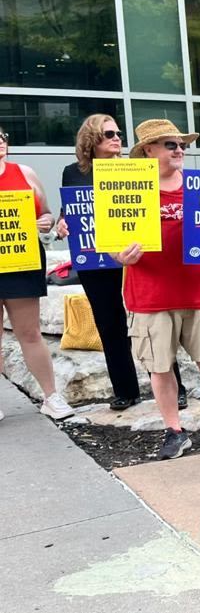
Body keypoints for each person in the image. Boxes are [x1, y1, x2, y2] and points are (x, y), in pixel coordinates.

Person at [114, 119, 200, 459]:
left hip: (197, 291)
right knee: (159, 367)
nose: (180, 150)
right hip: (150, 296)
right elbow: (111, 243)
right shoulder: (126, 189)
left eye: (182, 144)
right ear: (148, 150)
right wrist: (120, 256)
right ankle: (174, 431)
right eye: (171, 144)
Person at [56, 114, 188, 410]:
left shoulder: (137, 168)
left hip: (135, 257)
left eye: (118, 133)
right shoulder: (73, 172)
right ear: (91, 139)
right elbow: (70, 210)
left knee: (153, 324)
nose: (116, 137)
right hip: (94, 258)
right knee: (109, 324)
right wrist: (63, 223)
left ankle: (176, 389)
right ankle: (126, 391)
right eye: (108, 134)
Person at [0, 126, 73, 419]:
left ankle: (51, 396)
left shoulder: (25, 173)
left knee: (30, 332)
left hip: (22, 259)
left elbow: (46, 213)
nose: (0, 143)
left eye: (3, 137)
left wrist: (45, 221)